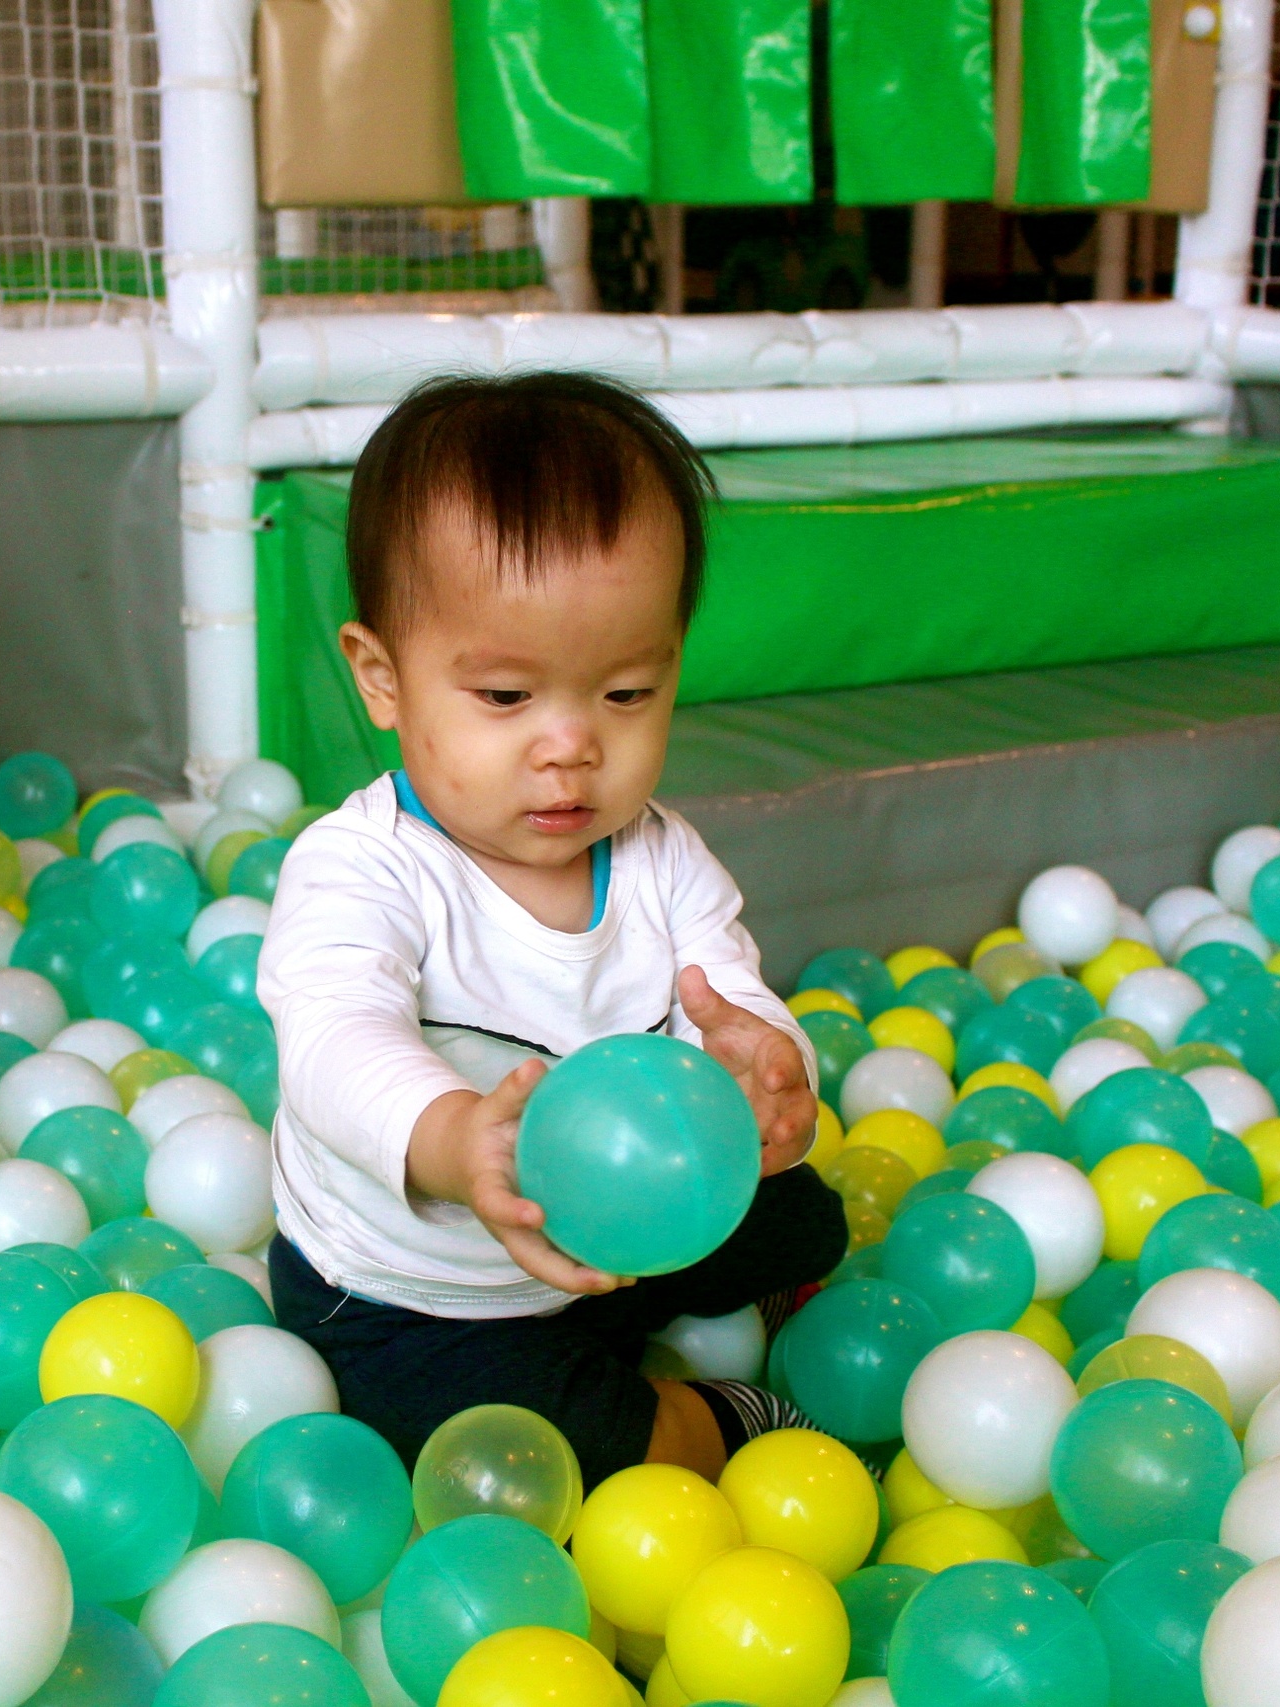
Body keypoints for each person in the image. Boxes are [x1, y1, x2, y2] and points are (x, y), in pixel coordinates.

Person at [257, 371, 848, 1489]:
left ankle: (712, 1309)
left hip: (631, 1217)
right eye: (505, 699)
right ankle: (723, 1414)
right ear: (382, 679)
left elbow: (728, 996)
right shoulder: (364, 868)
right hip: (418, 1290)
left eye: (624, 694)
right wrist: (451, 1139)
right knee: (512, 1452)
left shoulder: (661, 859)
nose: (570, 745)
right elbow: (333, 1043)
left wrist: (770, 1065)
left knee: (806, 1219)